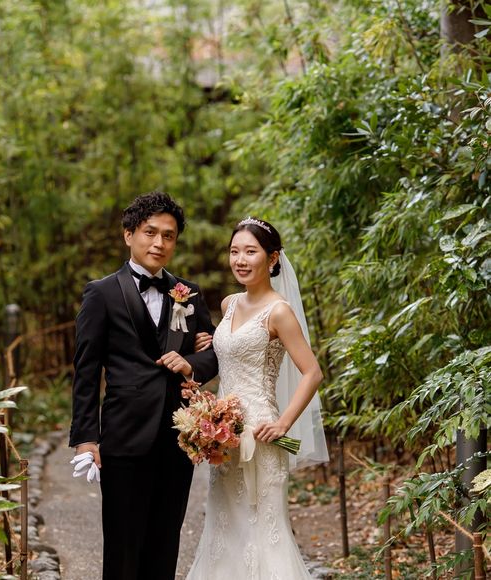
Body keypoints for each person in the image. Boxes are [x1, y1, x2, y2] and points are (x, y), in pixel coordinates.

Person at [69, 191, 219, 580]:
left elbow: (214, 353)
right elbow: (86, 370)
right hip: (124, 437)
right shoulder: (101, 293)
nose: (159, 243)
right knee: (123, 546)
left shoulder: (189, 293)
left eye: (168, 236)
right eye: (150, 232)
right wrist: (86, 438)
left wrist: (191, 363)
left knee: (165, 544)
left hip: (178, 437)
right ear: (129, 235)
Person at [187, 217, 329, 579]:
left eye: (251, 252)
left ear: (272, 258)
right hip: (223, 436)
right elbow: (232, 357)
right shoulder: (229, 304)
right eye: (235, 251)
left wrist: (282, 423)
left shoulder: (279, 311)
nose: (240, 260)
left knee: (264, 531)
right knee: (224, 528)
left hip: (261, 434)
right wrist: (207, 352)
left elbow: (312, 372)